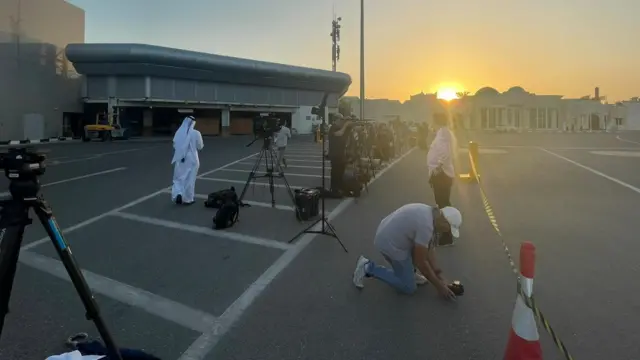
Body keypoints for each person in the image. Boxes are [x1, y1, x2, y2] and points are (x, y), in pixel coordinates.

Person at [352, 203, 462, 300]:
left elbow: (429, 248)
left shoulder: (430, 213)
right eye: (447, 228)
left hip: (391, 234)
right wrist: (439, 287)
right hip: (389, 243)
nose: (446, 231)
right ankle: (368, 267)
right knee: (408, 287)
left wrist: (439, 275)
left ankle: (409, 273)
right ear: (443, 220)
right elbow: (421, 262)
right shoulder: (426, 226)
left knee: (420, 250)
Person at [171, 116, 204, 205]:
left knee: (179, 178)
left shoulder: (179, 133)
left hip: (180, 158)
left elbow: (174, 145)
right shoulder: (196, 133)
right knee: (190, 178)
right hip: (192, 158)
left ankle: (178, 193)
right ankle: (188, 198)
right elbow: (200, 146)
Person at [427, 115, 456, 209]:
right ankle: (446, 220)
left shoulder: (443, 133)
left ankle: (447, 221)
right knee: (442, 201)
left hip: (441, 173)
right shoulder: (443, 132)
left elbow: (444, 152)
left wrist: (438, 167)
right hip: (441, 172)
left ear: (437, 122)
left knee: (442, 201)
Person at [328, 114, 351, 196]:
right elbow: (339, 134)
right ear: (336, 120)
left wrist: (349, 125)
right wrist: (346, 125)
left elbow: (345, 135)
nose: (342, 121)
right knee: (335, 173)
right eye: (341, 119)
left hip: (340, 155)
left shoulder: (340, 127)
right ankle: (334, 189)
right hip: (335, 155)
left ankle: (340, 188)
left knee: (341, 173)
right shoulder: (333, 127)